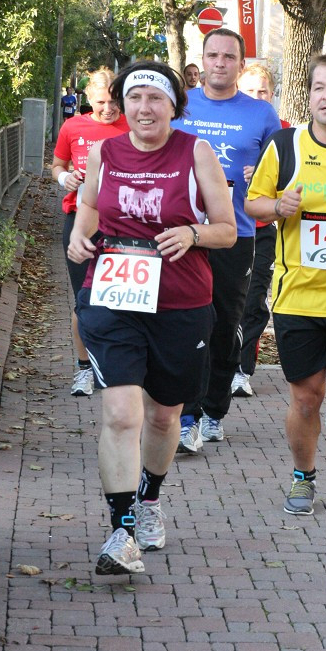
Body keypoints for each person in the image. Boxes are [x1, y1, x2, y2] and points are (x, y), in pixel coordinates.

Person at [67, 61, 236, 575]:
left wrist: (193, 234)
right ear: (123, 103)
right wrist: (79, 234)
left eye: (155, 99)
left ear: (173, 107)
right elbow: (90, 210)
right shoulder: (105, 151)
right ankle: (121, 531)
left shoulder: (195, 153)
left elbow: (228, 229)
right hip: (114, 293)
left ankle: (150, 499)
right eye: (135, 97)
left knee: (163, 416)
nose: (144, 107)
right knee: (121, 413)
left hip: (181, 302)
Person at [246, 50, 326, 516]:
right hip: (296, 296)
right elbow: (253, 204)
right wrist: (280, 206)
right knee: (306, 399)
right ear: (309, 95)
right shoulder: (287, 146)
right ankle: (303, 477)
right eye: (319, 87)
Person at [171, 28, 281, 451]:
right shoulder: (181, 106)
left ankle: (214, 409)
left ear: (240, 63)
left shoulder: (261, 115)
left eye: (229, 57)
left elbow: (276, 175)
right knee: (186, 326)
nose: (220, 62)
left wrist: (263, 184)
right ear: (203, 61)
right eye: (213, 55)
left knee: (224, 325)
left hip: (235, 235)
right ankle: (187, 415)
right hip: (183, 233)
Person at [52, 68, 129, 397]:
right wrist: (63, 179)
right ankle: (84, 369)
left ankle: (118, 365)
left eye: (114, 102)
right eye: (101, 102)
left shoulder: (132, 127)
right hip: (80, 221)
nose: (108, 109)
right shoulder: (73, 127)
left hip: (124, 224)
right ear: (87, 99)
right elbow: (57, 164)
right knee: (84, 299)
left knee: (122, 299)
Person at [232, 63, 290, 398]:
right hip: (222, 223)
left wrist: (271, 178)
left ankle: (241, 369)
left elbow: (299, 183)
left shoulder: (285, 133)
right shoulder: (228, 121)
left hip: (261, 226)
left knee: (252, 299)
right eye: (251, 90)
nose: (257, 97)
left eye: (263, 91)